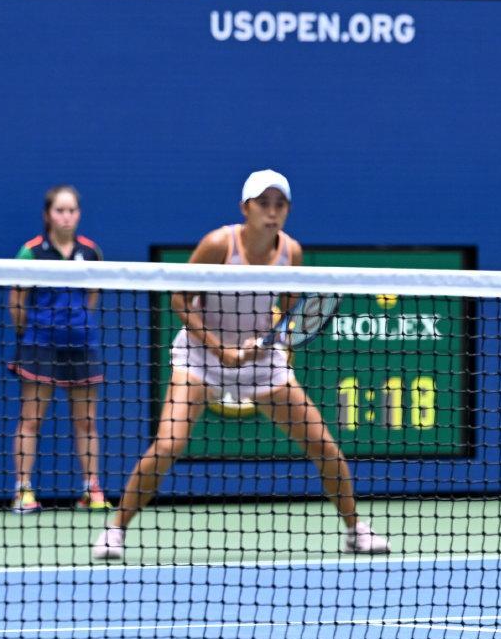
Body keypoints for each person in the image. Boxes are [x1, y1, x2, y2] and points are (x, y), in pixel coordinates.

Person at [93, 171, 389, 562]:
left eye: (279, 204)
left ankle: (355, 531)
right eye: (263, 203)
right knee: (168, 445)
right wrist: (220, 349)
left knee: (325, 447)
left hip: (260, 362)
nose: (272, 212)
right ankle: (115, 530)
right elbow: (179, 300)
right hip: (200, 357)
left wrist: (271, 337)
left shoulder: (291, 253)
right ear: (244, 208)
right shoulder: (219, 244)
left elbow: (288, 312)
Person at [8, 185, 107, 515]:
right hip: (40, 345)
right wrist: (31, 333)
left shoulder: (91, 252)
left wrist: (75, 324)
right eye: (60, 210)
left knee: (86, 422)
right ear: (47, 215)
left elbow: (92, 296)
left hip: (81, 345)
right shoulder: (31, 252)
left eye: (72, 210)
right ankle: (23, 491)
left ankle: (91, 489)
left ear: (79, 214)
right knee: (31, 420)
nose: (66, 216)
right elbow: (16, 301)